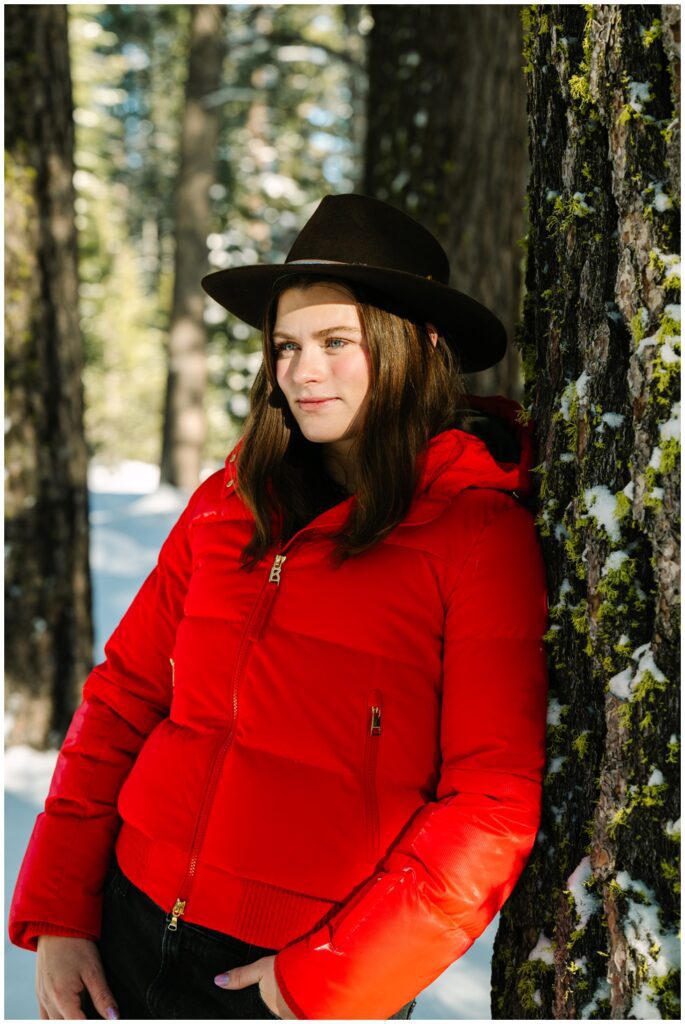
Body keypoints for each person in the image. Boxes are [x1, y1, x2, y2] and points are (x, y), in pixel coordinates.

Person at [9, 193, 549, 1020]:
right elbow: (124, 698)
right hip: (120, 931)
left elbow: (490, 802)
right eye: (287, 345)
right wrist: (59, 915)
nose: (301, 371)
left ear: (419, 346)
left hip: (287, 975)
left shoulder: (474, 531)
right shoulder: (230, 502)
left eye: (338, 341)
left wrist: (328, 983)